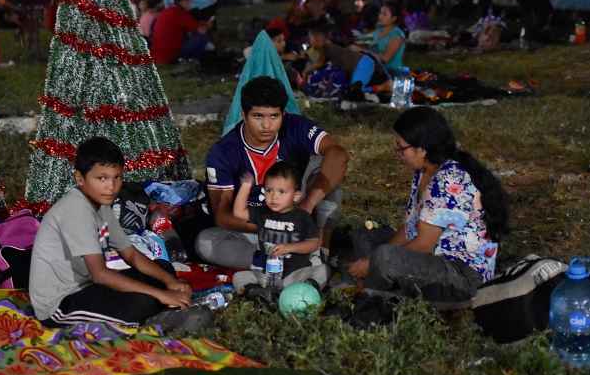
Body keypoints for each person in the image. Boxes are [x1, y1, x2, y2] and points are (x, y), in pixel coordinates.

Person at [29, 136, 211, 330]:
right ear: (79, 179)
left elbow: (130, 254)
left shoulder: (100, 204)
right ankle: (159, 318)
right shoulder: (76, 210)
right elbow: (100, 275)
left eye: (117, 177)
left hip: (88, 286)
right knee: (142, 302)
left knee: (163, 269)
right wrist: (161, 294)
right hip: (61, 302)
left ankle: (164, 306)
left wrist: (170, 282)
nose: (111, 187)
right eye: (102, 178)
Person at [347, 107, 507, 301]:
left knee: (383, 258)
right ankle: (381, 281)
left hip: (462, 275)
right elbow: (409, 229)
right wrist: (372, 260)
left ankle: (373, 296)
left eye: (401, 147)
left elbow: (424, 244)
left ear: (422, 148)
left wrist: (372, 262)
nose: (397, 153)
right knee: (365, 237)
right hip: (434, 256)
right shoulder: (424, 170)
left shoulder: (448, 180)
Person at [198, 76, 349, 267]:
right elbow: (223, 215)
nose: (267, 126)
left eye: (274, 116)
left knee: (326, 166)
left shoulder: (296, 127)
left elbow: (339, 154)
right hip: (255, 229)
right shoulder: (223, 152)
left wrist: (307, 206)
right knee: (205, 242)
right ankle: (270, 262)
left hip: (301, 222)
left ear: (283, 114)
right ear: (244, 115)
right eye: (258, 116)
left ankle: (320, 249)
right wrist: (274, 228)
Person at [230, 160, 328, 293]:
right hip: (266, 274)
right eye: (269, 190)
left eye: (281, 192)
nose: (274, 197)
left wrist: (289, 248)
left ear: (296, 196)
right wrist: (246, 186)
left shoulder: (302, 217)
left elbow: (314, 244)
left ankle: (306, 290)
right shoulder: (262, 212)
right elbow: (238, 212)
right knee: (240, 277)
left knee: (322, 271)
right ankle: (258, 294)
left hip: (295, 275)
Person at [305, 23, 388, 96]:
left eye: (310, 38)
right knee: (348, 90)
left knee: (353, 91)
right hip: (361, 63)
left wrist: (305, 72)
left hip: (362, 64)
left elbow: (318, 64)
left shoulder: (326, 46)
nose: (309, 41)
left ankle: (382, 87)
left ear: (317, 38)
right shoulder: (326, 46)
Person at [150, 0, 211, 64]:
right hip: (170, 55)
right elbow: (201, 30)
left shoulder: (168, 11)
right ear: (185, 0)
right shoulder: (181, 13)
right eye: (190, 1)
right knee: (202, 37)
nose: (191, 4)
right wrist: (208, 25)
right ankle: (194, 60)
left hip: (157, 54)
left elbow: (191, 25)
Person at [367, 1, 406, 73]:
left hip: (392, 73)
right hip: (378, 70)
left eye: (384, 14)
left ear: (393, 18)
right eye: (380, 13)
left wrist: (363, 51)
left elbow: (385, 59)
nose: (380, 16)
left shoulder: (397, 35)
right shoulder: (379, 30)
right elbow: (363, 40)